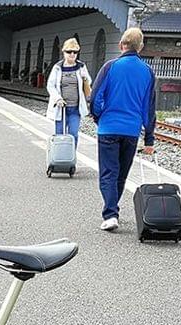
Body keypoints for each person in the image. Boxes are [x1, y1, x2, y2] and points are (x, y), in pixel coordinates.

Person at [90, 27, 156, 232]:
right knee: (121, 174)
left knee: (108, 173)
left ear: (121, 45)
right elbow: (149, 107)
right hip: (131, 131)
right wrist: (149, 139)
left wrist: (99, 117)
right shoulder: (148, 72)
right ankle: (112, 210)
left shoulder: (110, 66)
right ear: (141, 47)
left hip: (109, 128)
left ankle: (110, 214)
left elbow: (95, 98)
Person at [45, 37, 92, 149]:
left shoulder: (81, 66)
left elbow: (88, 83)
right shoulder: (57, 67)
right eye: (69, 52)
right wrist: (58, 98)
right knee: (60, 135)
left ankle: (71, 158)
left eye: (75, 52)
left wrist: (85, 79)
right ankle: (59, 157)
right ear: (64, 52)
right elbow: (50, 85)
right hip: (61, 107)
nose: (72, 54)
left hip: (75, 108)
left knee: (74, 135)